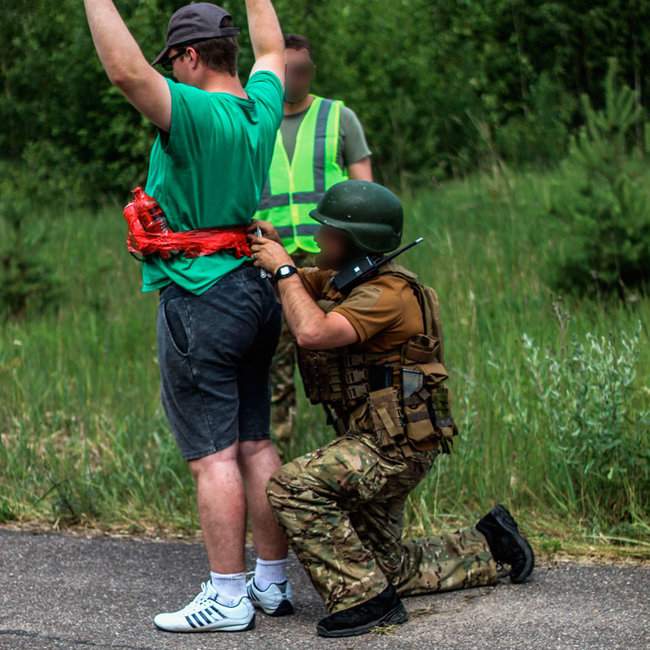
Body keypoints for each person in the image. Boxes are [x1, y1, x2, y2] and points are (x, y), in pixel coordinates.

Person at [83, 0, 293, 633]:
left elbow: (124, 73)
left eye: (171, 59)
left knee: (213, 455)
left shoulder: (194, 112)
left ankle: (228, 597)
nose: (165, 71)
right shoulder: (259, 109)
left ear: (190, 56)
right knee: (257, 441)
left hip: (202, 296)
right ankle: (272, 583)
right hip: (256, 290)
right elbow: (275, 52)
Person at [250, 180, 535, 638]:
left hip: (392, 450)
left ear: (355, 241)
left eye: (328, 232)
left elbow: (313, 332)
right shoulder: (353, 280)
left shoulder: (388, 295)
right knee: (387, 566)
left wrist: (284, 270)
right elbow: (301, 289)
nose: (319, 238)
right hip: (383, 441)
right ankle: (492, 543)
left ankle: (364, 603)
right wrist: (279, 256)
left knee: (292, 487)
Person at [254, 33, 374, 446]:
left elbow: (367, 192)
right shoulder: (254, 121)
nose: (294, 79)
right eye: (286, 70)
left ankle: (354, 446)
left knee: (340, 358)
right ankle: (278, 452)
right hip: (269, 258)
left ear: (312, 71)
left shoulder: (339, 117)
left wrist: (365, 254)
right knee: (274, 363)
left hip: (331, 260)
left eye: (302, 70)